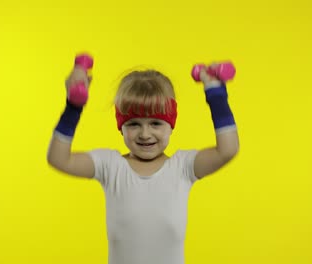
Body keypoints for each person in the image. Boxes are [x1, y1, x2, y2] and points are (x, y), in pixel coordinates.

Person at [47, 60, 239, 264]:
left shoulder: (183, 167)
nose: (145, 134)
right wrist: (73, 107)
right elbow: (58, 159)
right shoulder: (110, 166)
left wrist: (216, 94)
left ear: (171, 124)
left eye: (155, 123)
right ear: (121, 127)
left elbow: (227, 150)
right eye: (134, 124)